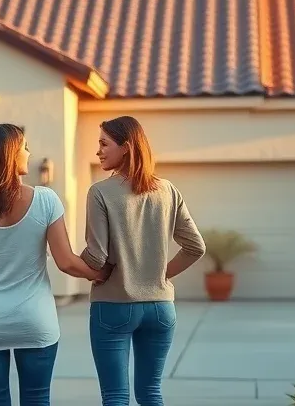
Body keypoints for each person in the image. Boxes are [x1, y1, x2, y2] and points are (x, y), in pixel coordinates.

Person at [0, 123, 111, 406]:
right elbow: (66, 262)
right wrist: (98, 273)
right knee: (37, 399)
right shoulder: (46, 200)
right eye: (25, 147)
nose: (29, 153)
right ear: (10, 156)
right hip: (35, 319)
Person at [82, 116, 206, 406]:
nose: (98, 151)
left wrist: (69, 258)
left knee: (115, 397)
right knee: (151, 393)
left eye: (104, 144)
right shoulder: (167, 190)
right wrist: (159, 275)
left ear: (126, 147)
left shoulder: (100, 192)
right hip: (161, 309)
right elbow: (195, 247)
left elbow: (96, 257)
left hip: (113, 307)